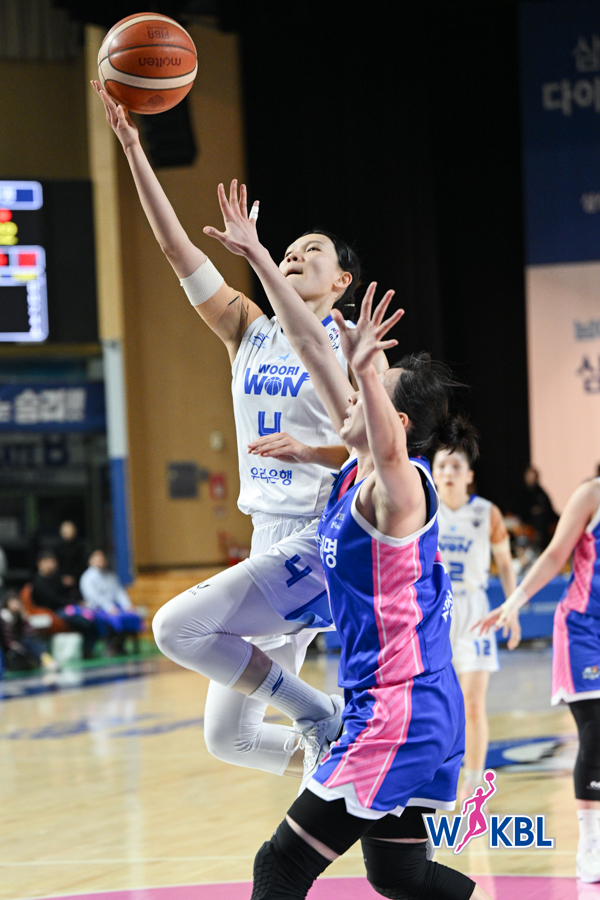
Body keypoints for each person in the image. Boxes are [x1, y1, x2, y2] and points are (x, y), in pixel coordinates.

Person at [196, 181, 491, 898]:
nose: (351, 401)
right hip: (407, 704)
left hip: (397, 710)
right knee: (401, 877)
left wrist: (361, 365)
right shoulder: (359, 464)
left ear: (397, 424)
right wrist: (259, 258)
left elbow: (372, 424)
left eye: (369, 395)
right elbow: (307, 344)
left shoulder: (398, 485)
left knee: (280, 865)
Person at [93, 82, 390, 779]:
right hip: (266, 535)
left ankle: (324, 717)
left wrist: (312, 450)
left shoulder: (352, 343)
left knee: (177, 628)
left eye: (312, 250)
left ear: (342, 280)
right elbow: (175, 251)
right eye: (287, 249)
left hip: (317, 537)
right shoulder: (248, 330)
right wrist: (133, 147)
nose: (294, 253)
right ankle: (355, 774)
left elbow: (382, 451)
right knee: (230, 739)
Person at [478, 476, 600, 884]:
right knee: (596, 733)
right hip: (584, 630)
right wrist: (514, 602)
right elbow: (553, 556)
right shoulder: (592, 494)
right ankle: (590, 846)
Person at [432, 445, 517, 801]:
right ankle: (433, 775)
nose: (448, 472)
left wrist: (512, 608)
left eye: (456, 466)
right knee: (436, 703)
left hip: (475, 610)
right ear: (433, 474)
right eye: (441, 465)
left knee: (473, 703)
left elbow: (506, 565)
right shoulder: (425, 508)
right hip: (435, 610)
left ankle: (473, 780)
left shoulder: (487, 512)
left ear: (469, 475)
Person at [31, 551, 98, 659]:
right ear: (40, 563)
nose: (51, 565)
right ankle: (87, 650)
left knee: (93, 616)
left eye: (52, 562)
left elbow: (65, 595)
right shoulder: (38, 582)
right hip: (54, 612)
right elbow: (54, 600)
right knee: (84, 621)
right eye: (48, 562)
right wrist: (74, 603)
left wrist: (67, 587)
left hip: (66, 607)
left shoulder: (56, 578)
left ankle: (90, 648)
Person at [79, 550, 142, 655]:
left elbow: (119, 592)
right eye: (97, 559)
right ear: (91, 560)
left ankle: (120, 644)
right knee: (114, 618)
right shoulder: (87, 577)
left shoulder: (110, 575)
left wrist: (127, 605)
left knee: (130, 616)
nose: (100, 561)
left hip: (115, 606)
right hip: (97, 608)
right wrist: (109, 607)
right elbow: (93, 596)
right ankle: (111, 645)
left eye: (102, 559)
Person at [0, 590, 58, 672]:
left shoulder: (18, 615)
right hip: (8, 645)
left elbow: (30, 632)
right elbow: (6, 637)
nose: (15, 604)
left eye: (17, 602)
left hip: (20, 641)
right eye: (13, 602)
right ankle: (43, 660)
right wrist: (12, 644)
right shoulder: (3, 617)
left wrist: (24, 617)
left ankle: (45, 659)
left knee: (31, 641)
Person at [512, 465, 558, 551]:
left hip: (543, 521)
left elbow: (549, 508)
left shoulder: (540, 492)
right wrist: (531, 511)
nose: (532, 478)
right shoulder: (521, 492)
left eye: (534, 476)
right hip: (527, 520)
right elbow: (517, 509)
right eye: (530, 476)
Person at [55, 520, 88, 600]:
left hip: (78, 581)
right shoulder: (57, 548)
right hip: (61, 581)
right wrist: (62, 578)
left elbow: (83, 564)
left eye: (70, 531)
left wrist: (74, 578)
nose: (67, 533)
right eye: (65, 531)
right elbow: (55, 566)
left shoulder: (81, 547)